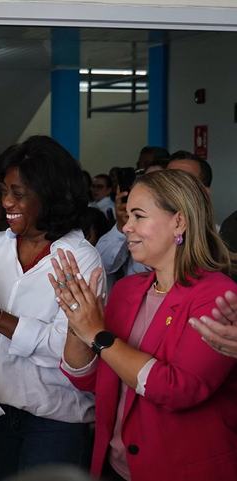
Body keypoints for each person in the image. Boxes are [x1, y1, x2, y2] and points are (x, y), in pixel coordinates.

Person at [57, 169, 237, 480]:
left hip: (181, 469)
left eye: (138, 216)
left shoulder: (217, 294)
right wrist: (78, 321)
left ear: (178, 222)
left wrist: (97, 335)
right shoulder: (128, 290)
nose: (126, 226)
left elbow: (178, 390)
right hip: (116, 466)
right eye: (128, 216)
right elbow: (92, 381)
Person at [0, 136, 101, 480]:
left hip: (55, 423)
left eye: (18, 194)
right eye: (3, 190)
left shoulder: (78, 258)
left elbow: (71, 350)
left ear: (50, 196)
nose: (6, 202)